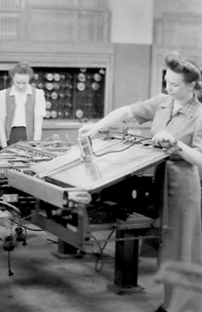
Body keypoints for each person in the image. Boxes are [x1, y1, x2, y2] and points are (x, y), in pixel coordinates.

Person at [79, 51, 202, 312]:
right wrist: (98, 127)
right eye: (166, 81)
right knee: (161, 249)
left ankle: (180, 308)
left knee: (180, 252)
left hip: (182, 189)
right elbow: (127, 111)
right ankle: (172, 303)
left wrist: (176, 143)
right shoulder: (163, 102)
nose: (168, 88)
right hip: (156, 181)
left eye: (175, 84)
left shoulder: (199, 114)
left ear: (191, 86)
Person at [0, 62, 47, 148]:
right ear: (12, 78)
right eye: (18, 82)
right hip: (12, 137)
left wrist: (35, 146)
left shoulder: (38, 94)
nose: (21, 86)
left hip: (29, 138)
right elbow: (1, 124)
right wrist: (4, 146)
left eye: (24, 83)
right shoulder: (3, 94)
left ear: (29, 80)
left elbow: (38, 125)